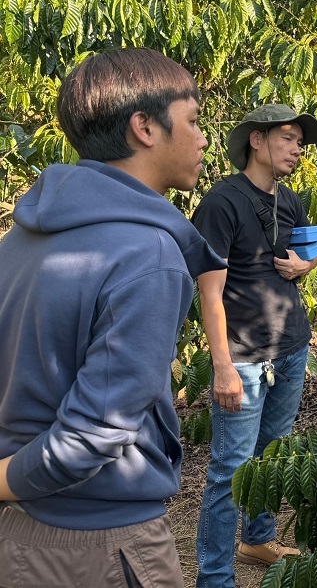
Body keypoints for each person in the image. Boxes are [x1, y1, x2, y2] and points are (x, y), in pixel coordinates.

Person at [0, 49, 224, 587]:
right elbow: (94, 436)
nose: (203, 138)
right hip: (97, 545)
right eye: (192, 120)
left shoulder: (28, 232)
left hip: (20, 535)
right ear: (144, 127)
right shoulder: (147, 254)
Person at [194, 104, 317, 588]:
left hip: (291, 346)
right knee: (231, 470)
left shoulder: (290, 201)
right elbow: (209, 292)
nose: (296, 149)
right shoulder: (221, 203)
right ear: (256, 139)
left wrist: (305, 268)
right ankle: (214, 576)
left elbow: (308, 251)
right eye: (288, 138)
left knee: (272, 456)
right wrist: (222, 366)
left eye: (299, 142)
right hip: (245, 357)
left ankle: (258, 538)